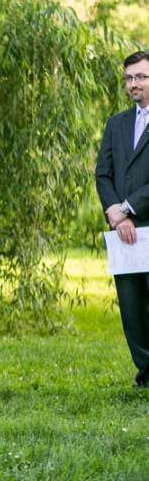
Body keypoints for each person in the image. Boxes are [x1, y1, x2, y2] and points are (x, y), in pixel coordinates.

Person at [95, 50, 149, 389]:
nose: (133, 84)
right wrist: (117, 216)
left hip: (148, 224)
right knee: (131, 308)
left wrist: (128, 207)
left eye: (141, 76)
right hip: (123, 233)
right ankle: (145, 375)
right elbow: (103, 173)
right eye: (129, 78)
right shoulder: (116, 123)